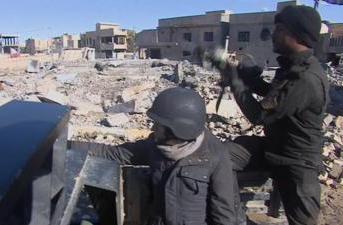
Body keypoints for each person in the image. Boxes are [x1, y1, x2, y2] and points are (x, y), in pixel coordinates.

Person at [216, 5, 329, 225]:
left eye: (279, 30)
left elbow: (259, 115)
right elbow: (274, 95)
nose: (273, 35)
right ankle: (231, 214)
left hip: (297, 162)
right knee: (220, 156)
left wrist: (236, 82)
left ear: (295, 35)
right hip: (274, 148)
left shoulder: (305, 79)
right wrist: (245, 75)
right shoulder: (291, 69)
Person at [76, 87, 236, 225]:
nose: (153, 128)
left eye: (159, 125)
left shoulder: (215, 156)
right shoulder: (155, 146)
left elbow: (223, 214)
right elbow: (113, 153)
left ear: (178, 129)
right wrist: (64, 144)